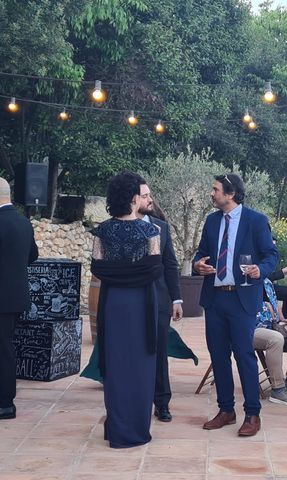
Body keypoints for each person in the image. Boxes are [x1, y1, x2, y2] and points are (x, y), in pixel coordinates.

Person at [193, 174, 278, 437]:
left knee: (244, 356)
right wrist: (198, 265)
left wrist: (259, 270)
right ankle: (226, 410)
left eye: (215, 189)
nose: (212, 193)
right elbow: (200, 253)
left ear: (231, 194)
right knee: (219, 356)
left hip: (242, 298)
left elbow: (271, 255)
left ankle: (252, 414)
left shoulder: (256, 220)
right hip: (215, 298)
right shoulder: (211, 221)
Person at [91, 172, 164, 448]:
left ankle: (118, 429)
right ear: (134, 197)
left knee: (117, 364)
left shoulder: (102, 230)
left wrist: (118, 274)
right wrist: (134, 272)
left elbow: (99, 268)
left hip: (113, 303)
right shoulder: (150, 231)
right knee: (141, 365)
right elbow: (153, 269)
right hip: (140, 304)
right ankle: (135, 430)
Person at [137, 183, 183, 422]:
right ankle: (135, 401)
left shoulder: (161, 227)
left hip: (160, 300)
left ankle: (162, 402)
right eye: (145, 196)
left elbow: (171, 264)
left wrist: (176, 298)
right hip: (132, 300)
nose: (150, 199)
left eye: (149, 195)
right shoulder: (120, 226)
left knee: (159, 352)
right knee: (134, 351)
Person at [0, 177, 38, 420]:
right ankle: (6, 402)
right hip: (15, 297)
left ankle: (4, 403)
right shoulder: (24, 222)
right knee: (5, 348)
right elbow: (32, 255)